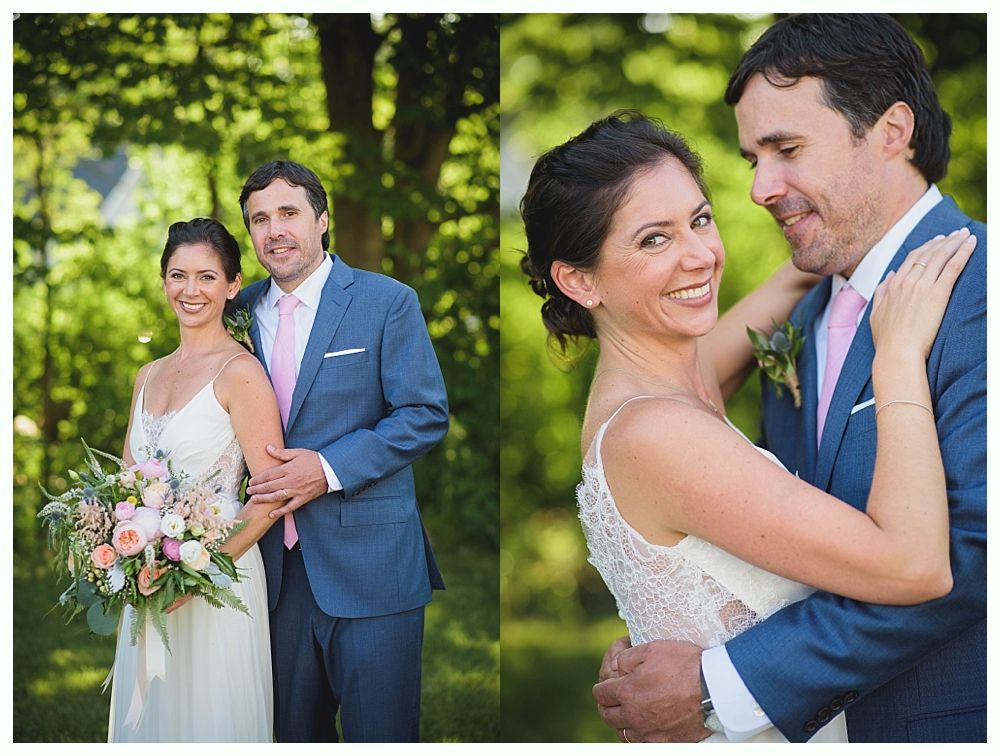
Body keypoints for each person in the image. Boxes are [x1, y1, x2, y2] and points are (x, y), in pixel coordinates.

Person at [520, 108, 974, 743]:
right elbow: (914, 567)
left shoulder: (669, 377)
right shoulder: (656, 433)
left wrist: (844, 228)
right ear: (578, 279)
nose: (698, 255)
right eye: (654, 239)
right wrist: (896, 357)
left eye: (699, 220)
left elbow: (795, 274)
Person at [232, 159, 449, 742]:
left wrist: (326, 469)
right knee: (291, 736)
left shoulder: (387, 302)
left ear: (321, 219)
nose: (274, 229)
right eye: (259, 219)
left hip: (372, 562)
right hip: (271, 568)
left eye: (288, 213)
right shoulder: (236, 314)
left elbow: (424, 414)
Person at [109, 217, 287, 741]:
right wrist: (119, 553)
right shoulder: (148, 374)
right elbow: (124, 488)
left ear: (233, 285)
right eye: (178, 275)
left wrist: (194, 574)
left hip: (216, 585)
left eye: (207, 277)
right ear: (164, 280)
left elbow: (269, 500)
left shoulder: (241, 373)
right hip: (148, 583)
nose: (191, 290)